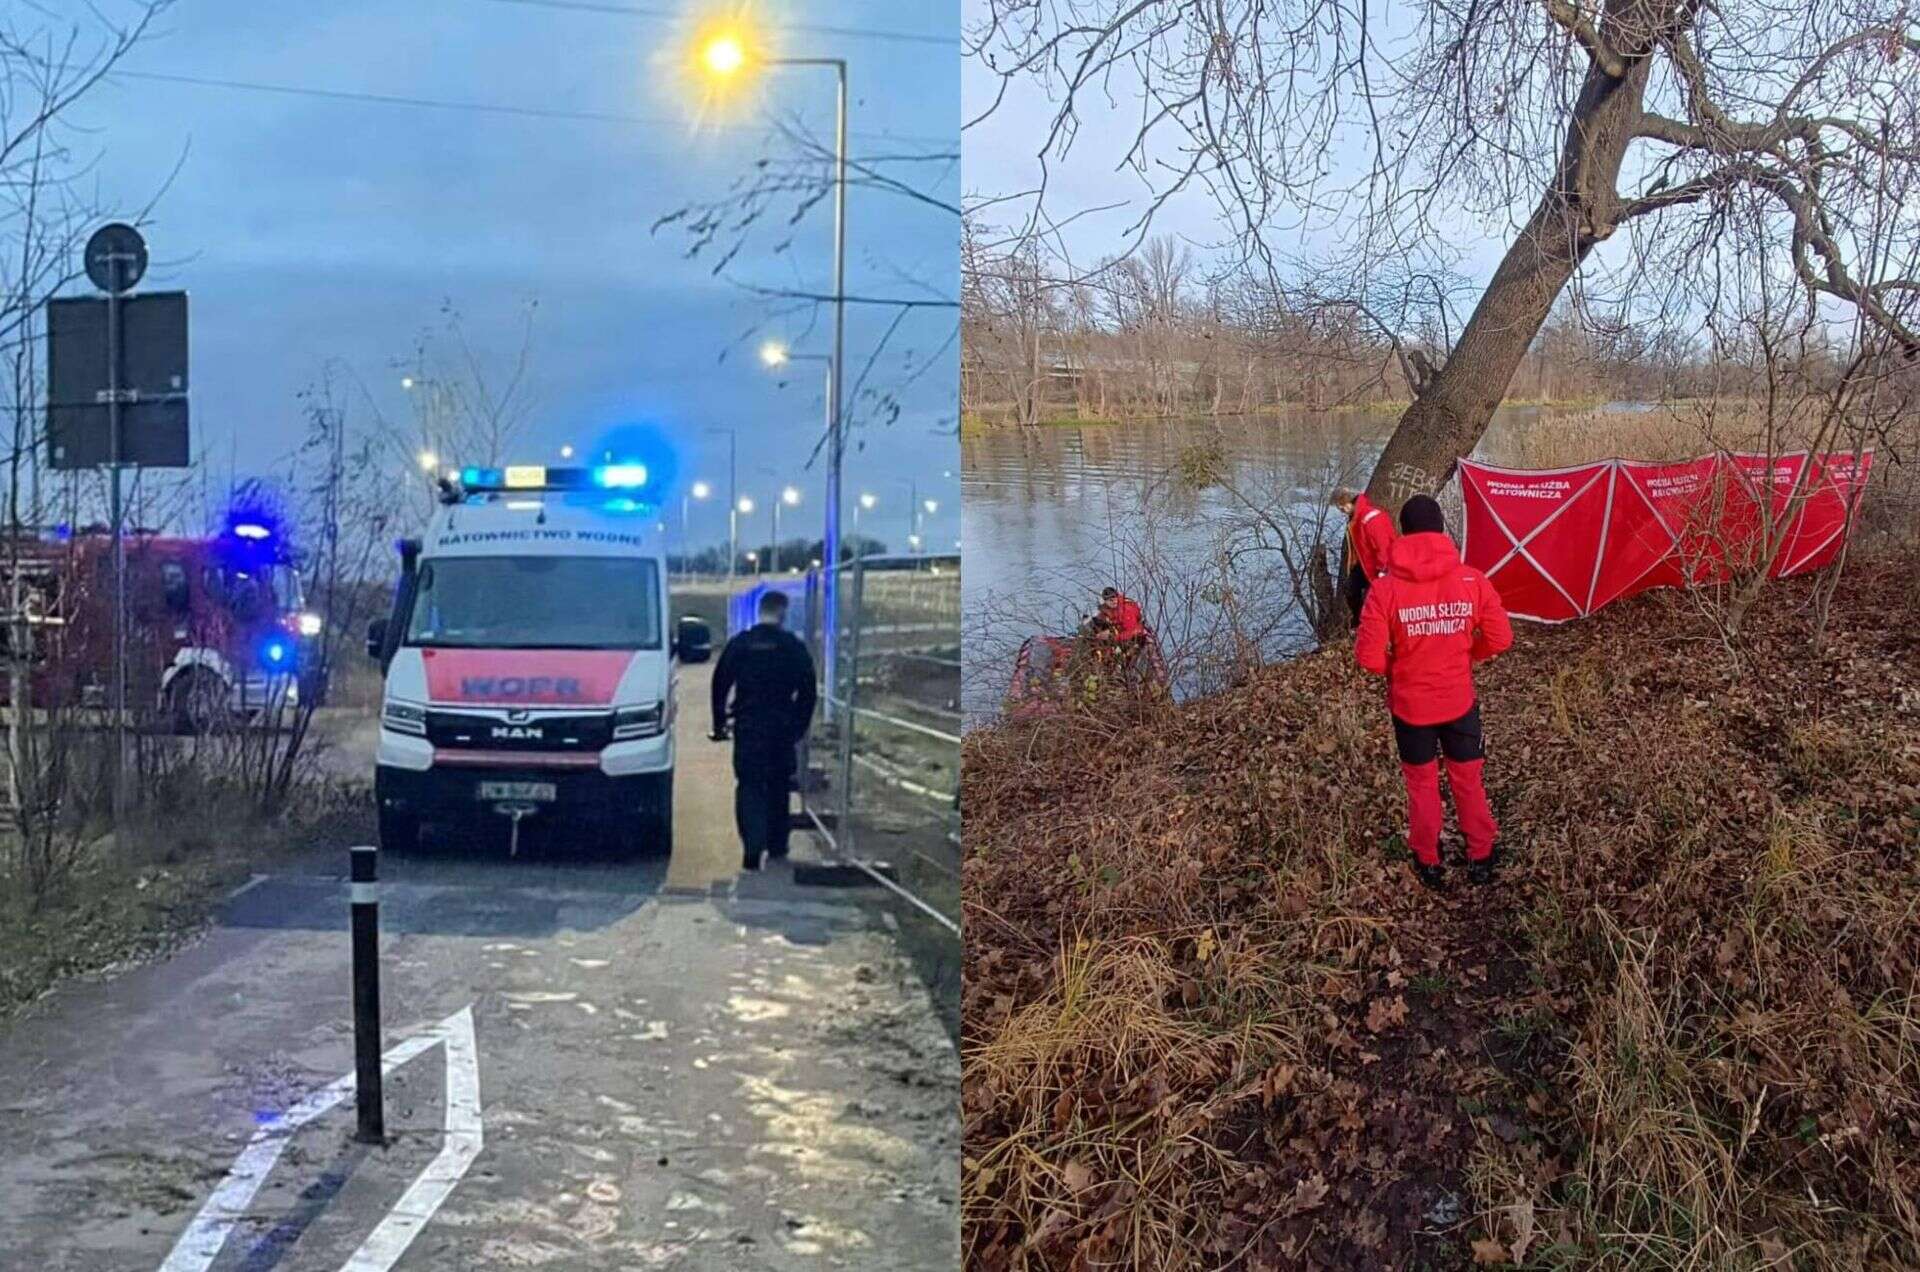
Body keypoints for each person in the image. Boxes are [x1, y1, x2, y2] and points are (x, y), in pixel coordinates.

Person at [1355, 494, 1513, 889]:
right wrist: (1468, 655)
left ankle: (1428, 860)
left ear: (1404, 533)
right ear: (1442, 529)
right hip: (1459, 702)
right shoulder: (1471, 580)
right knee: (1468, 780)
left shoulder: (1384, 590)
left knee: (1422, 786)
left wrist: (1400, 669)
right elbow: (1500, 638)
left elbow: (1370, 660)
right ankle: (1482, 855)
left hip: (1411, 709)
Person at [710, 590, 817, 871]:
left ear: (761, 611)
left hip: (749, 727)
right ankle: (778, 844)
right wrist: (799, 726)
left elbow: (719, 683)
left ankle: (751, 849)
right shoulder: (793, 646)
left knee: (749, 786)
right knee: (779, 785)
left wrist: (719, 722)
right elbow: (808, 690)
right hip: (782, 727)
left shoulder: (741, 645)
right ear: (782, 613)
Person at [1332, 487, 1396, 625]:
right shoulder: (1356, 518)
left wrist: (1382, 571)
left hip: (1379, 566)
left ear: (1348, 501)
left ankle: (1369, 624)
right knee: (1350, 588)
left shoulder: (1370, 518)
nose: (1341, 510)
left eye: (1341, 506)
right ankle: (1359, 622)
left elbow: (1382, 547)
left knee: (1372, 600)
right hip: (1366, 564)